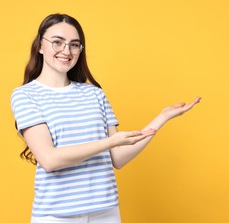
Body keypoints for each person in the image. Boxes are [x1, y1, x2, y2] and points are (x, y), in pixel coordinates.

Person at [10, 13, 201, 223]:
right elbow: (50, 160)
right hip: (57, 216)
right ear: (40, 45)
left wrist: (162, 118)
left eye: (74, 45)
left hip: (106, 212)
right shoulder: (25, 95)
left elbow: (117, 157)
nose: (66, 51)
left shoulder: (94, 94)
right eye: (57, 42)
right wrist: (109, 142)